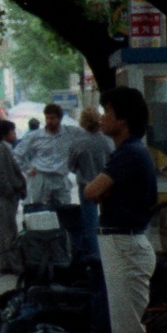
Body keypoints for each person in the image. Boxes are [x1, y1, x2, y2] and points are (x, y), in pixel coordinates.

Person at [85, 87, 160, 333]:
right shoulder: (129, 152)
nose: (102, 117)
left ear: (123, 119)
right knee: (123, 325)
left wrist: (103, 191)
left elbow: (92, 190)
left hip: (125, 245)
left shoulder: (130, 153)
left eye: (108, 112)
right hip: (123, 243)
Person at [15, 103, 83, 232]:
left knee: (64, 211)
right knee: (39, 211)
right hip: (40, 177)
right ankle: (40, 241)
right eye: (47, 118)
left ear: (59, 119)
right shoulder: (35, 136)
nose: (49, 121)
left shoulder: (70, 132)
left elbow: (87, 134)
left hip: (60, 177)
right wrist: (27, 170)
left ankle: (62, 242)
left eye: (52, 118)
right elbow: (17, 155)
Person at [69, 107, 116, 263]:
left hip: (86, 185)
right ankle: (109, 254)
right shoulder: (109, 141)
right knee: (108, 220)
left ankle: (96, 257)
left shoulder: (78, 143)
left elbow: (71, 166)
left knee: (90, 223)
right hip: (107, 185)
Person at [0, 120, 27, 275]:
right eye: (12, 131)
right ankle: (14, 264)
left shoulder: (5, 148)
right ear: (5, 134)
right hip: (5, 196)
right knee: (9, 229)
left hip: (9, 194)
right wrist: (10, 189)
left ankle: (4, 264)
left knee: (5, 230)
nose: (15, 134)